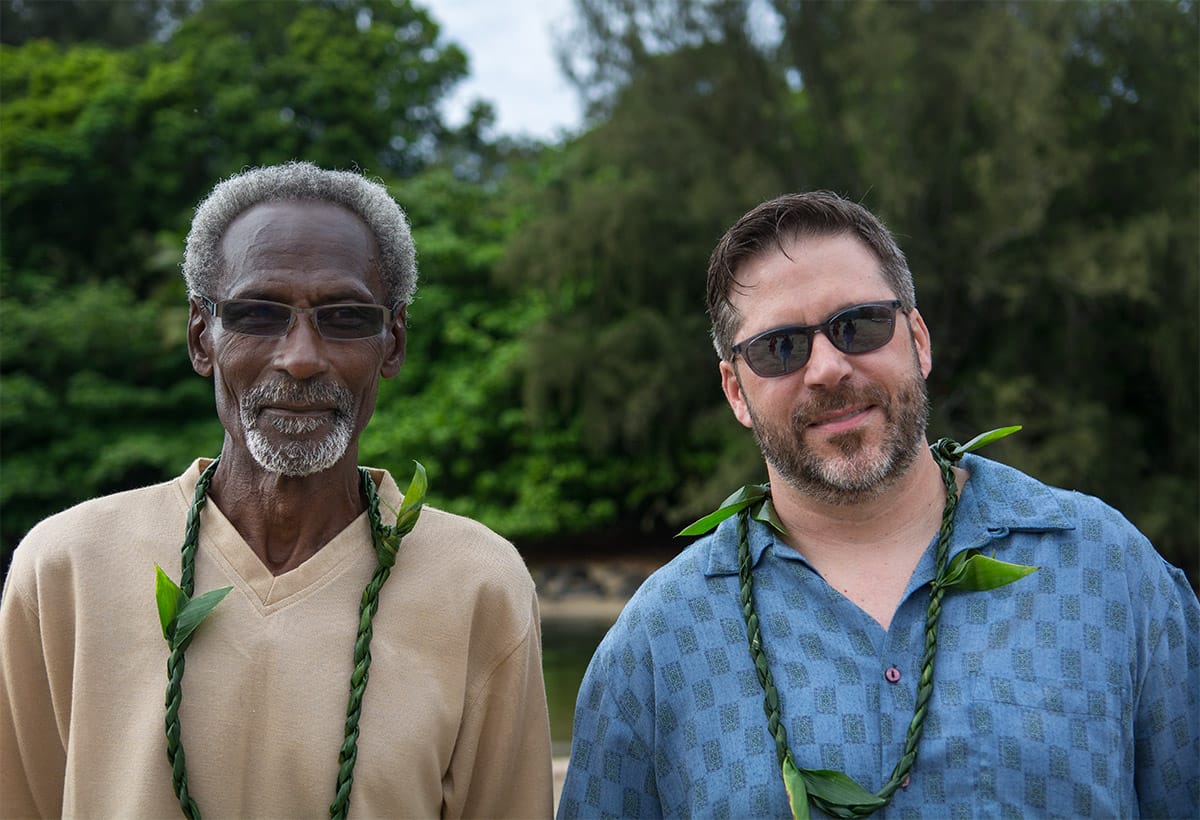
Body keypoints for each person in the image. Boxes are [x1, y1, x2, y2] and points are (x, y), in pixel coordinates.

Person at [558, 192, 1199, 818]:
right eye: (780, 347)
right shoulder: (657, 642)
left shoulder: (1107, 569)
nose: (828, 369)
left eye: (858, 325)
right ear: (735, 390)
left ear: (917, 339)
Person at [0, 161, 554, 818]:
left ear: (393, 343)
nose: (299, 358)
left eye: (344, 317)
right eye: (257, 314)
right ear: (202, 338)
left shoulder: (477, 585)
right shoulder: (67, 567)